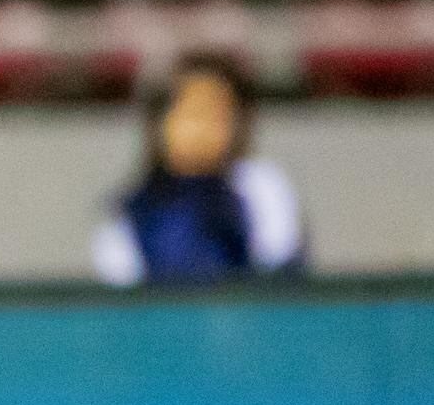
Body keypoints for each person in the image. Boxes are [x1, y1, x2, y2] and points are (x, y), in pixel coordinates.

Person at [91, 54, 309, 288]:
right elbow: (121, 289)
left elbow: (278, 275)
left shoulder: (259, 186)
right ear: (160, 123)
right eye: (192, 113)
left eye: (218, 115)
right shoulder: (131, 210)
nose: (204, 127)